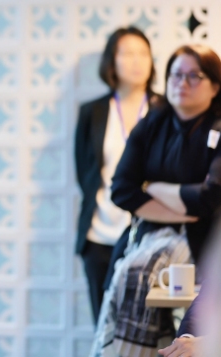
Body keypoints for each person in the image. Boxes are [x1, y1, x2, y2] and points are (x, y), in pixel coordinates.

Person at [91, 45, 221, 357]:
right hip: (146, 234)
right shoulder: (152, 122)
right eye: (176, 75)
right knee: (128, 273)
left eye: (194, 76)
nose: (182, 83)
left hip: (203, 240)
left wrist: (153, 188)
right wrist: (183, 208)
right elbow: (122, 189)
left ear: (215, 86)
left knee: (144, 272)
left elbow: (210, 196)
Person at [75, 27, 159, 324]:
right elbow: (84, 171)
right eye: (128, 53)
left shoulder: (164, 109)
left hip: (151, 234)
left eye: (143, 53)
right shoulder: (93, 112)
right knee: (104, 326)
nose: (137, 61)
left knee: (147, 327)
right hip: (99, 234)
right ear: (112, 61)